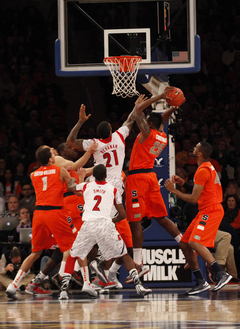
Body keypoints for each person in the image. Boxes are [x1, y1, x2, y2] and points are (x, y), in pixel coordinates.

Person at [59, 164, 152, 299]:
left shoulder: (87, 185)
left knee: (73, 256)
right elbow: (122, 214)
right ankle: (138, 285)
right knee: (125, 255)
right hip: (105, 224)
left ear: (93, 176)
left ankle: (63, 291)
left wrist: (72, 177)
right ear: (106, 175)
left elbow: (70, 187)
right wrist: (111, 221)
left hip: (88, 225)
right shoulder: (113, 190)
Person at [124, 87, 183, 282]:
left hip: (137, 179)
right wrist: (173, 106)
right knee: (161, 217)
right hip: (150, 177)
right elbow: (161, 119)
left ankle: (138, 264)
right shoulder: (162, 135)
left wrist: (159, 97)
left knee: (135, 223)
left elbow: (139, 112)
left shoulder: (147, 133)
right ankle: (184, 243)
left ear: (149, 123)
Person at [5, 145, 80, 299]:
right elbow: (71, 187)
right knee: (69, 246)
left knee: (35, 252)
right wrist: (74, 183)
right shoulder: (61, 170)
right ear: (51, 159)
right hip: (55, 211)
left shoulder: (33, 174)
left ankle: (13, 285)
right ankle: (63, 286)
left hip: (39, 214)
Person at [165, 141, 232, 294]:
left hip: (211, 210)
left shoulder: (202, 170)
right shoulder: (207, 167)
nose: (193, 148)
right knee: (184, 243)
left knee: (195, 242)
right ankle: (200, 281)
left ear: (200, 153)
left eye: (196, 147)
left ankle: (220, 273)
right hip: (205, 209)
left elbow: (194, 199)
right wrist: (183, 183)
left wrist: (173, 191)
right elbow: (200, 190)